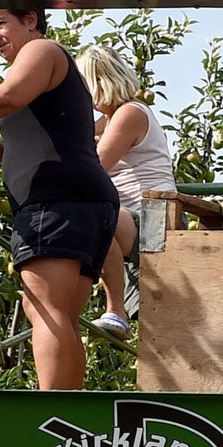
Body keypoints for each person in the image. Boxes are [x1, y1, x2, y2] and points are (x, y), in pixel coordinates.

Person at [0, 8, 119, 389]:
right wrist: (6, 149)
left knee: (43, 310)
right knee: (60, 313)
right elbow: (53, 133)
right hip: (83, 198)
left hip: (56, 200)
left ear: (30, 20)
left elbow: (8, 96)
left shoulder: (42, 50)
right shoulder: (50, 66)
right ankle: (67, 419)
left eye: (0, 23)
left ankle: (50, 416)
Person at [76, 44, 176, 340]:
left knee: (93, 212)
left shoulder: (130, 113)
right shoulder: (107, 121)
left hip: (155, 217)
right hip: (134, 218)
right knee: (84, 211)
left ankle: (116, 310)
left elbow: (94, 167)